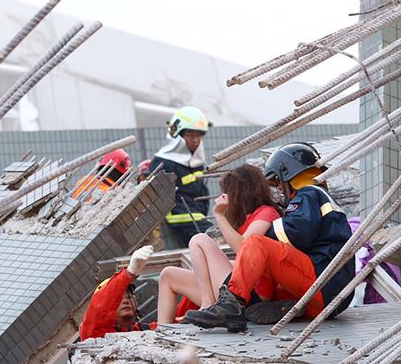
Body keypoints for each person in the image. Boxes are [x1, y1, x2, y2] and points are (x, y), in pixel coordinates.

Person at [184, 143, 356, 332]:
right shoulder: (319, 196)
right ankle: (284, 306)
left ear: (288, 174)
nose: (281, 191)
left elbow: (295, 233)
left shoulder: (308, 194)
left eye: (279, 184)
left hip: (323, 287)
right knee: (267, 266)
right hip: (329, 294)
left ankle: (231, 306)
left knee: (255, 242)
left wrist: (261, 239)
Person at [156, 164, 285, 323]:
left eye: (228, 192)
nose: (225, 196)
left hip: (254, 295)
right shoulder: (246, 216)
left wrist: (219, 215)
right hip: (236, 289)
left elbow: (245, 249)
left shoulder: (267, 212)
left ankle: (207, 304)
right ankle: (162, 332)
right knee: (168, 275)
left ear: (241, 191)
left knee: (199, 239)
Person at [73, 245, 162, 364]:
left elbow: (177, 325)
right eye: (119, 297)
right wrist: (130, 272)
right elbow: (99, 309)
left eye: (129, 295)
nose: (126, 299)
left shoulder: (144, 333)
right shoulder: (98, 339)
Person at [150, 106, 212, 248]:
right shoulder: (162, 162)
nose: (195, 140)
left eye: (198, 135)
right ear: (177, 134)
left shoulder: (196, 162)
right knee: (214, 242)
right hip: (179, 219)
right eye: (190, 135)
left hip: (197, 217)